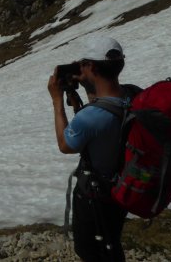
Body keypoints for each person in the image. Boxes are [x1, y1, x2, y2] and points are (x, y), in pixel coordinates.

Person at [47, 36, 130, 262]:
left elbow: (66, 145)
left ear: (91, 66)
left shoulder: (91, 117)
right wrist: (87, 87)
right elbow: (103, 107)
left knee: (90, 251)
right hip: (121, 187)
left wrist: (57, 100)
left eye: (82, 64)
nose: (79, 68)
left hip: (96, 195)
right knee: (111, 242)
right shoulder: (131, 95)